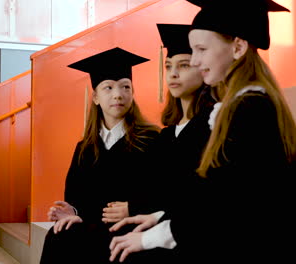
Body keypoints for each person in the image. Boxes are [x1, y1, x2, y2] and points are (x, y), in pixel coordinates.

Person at [110, 0, 296, 261]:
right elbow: (216, 193)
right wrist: (159, 217)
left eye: (201, 49)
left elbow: (228, 206)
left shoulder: (250, 110)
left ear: (238, 47)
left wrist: (152, 236)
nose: (196, 61)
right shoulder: (245, 104)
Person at [40, 47, 160, 264]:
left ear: (132, 93)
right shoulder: (85, 147)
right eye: (108, 87)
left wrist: (133, 207)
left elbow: (163, 191)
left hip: (130, 225)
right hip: (92, 226)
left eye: (126, 87)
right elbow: (75, 195)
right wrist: (72, 211)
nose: (118, 94)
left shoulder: (151, 139)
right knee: (58, 235)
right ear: (95, 97)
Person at [108, 23, 216, 263]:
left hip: (191, 231)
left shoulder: (211, 126)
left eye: (183, 65)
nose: (173, 74)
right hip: (164, 219)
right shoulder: (166, 136)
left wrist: (140, 209)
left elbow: (196, 196)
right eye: (168, 67)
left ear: (203, 68)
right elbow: (152, 187)